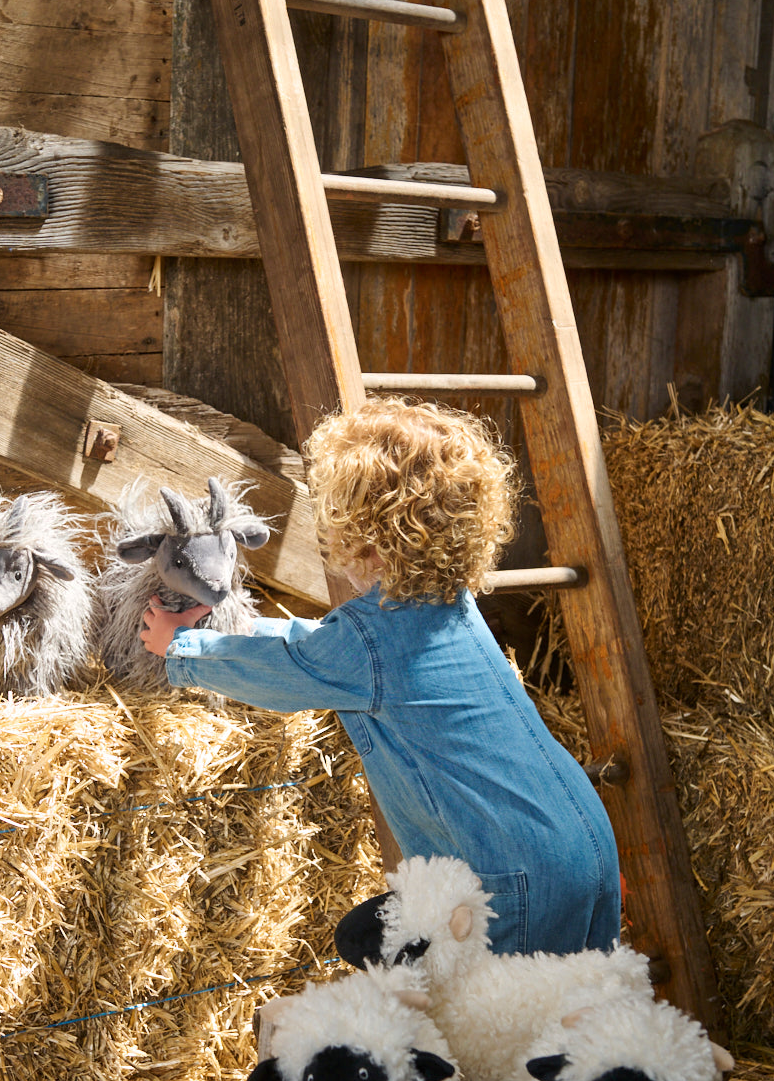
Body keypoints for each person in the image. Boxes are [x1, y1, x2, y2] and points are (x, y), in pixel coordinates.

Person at [140, 398, 621, 957]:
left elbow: (288, 674)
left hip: (508, 874)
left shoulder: (371, 639)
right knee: (577, 1013)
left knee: (502, 1033)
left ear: (365, 537)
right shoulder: (448, 606)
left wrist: (181, 646)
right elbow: (327, 651)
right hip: (581, 841)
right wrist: (246, 623)